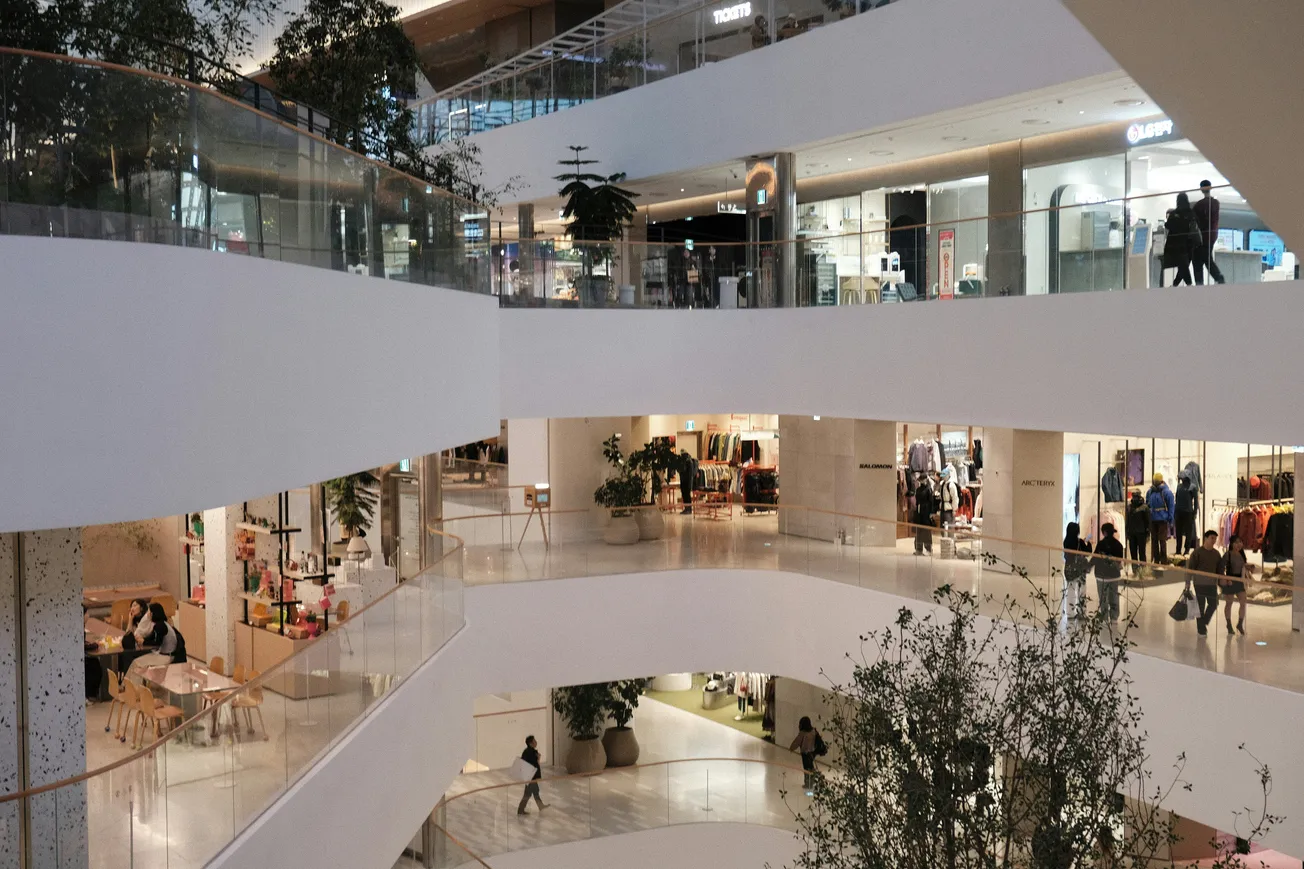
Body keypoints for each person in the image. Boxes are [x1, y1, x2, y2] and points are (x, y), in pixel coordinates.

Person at [1186, 530, 1223, 636]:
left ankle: (1204, 621)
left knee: (1213, 603)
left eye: (1215, 538)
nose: (1214, 540)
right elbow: (1190, 568)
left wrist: (1221, 583)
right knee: (1200, 605)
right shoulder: (1197, 553)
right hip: (1200, 583)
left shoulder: (1216, 554)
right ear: (1206, 538)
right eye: (1212, 538)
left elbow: (1219, 570)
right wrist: (1188, 582)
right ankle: (1201, 628)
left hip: (1211, 584)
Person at [1191, 180, 1226, 285]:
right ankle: (1218, 278)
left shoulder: (1199, 205)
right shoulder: (1216, 203)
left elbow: (1194, 221)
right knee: (1205, 257)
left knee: (1200, 259)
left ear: (1201, 189)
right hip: (1212, 235)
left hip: (1201, 237)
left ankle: (1210, 280)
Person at [1162, 193, 1199, 286]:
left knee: (1182, 266)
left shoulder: (1174, 213)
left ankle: (1182, 284)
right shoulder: (1191, 213)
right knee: (1183, 266)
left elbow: (1168, 225)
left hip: (1175, 245)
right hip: (1189, 245)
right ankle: (1180, 284)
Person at [1091, 523, 1124, 622]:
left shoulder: (1101, 544)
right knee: (1114, 596)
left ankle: (1104, 616)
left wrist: (1088, 566)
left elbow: (1095, 558)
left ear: (1104, 532)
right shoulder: (1119, 545)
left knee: (1103, 597)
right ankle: (1114, 617)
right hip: (1114, 575)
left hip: (1101, 575)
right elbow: (1119, 561)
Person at [1219, 534, 1251, 636]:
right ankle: (1228, 624)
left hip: (1239, 581)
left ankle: (1240, 624)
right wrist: (1226, 579)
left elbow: (1243, 568)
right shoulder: (1227, 554)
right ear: (1232, 544)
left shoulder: (1242, 555)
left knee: (1243, 602)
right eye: (1236, 542)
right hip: (1230, 581)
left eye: (1240, 542)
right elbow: (1220, 569)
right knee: (1229, 603)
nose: (1238, 544)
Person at [1063, 522, 1092, 620]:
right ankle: (1082, 612)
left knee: (1070, 590)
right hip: (1080, 569)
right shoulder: (1080, 542)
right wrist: (1088, 543)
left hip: (1069, 568)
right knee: (1082, 591)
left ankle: (1070, 613)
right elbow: (1088, 552)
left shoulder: (1066, 541)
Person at [1145, 473, 1175, 565]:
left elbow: (1171, 506)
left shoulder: (1166, 492)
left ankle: (1163, 560)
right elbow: (1147, 504)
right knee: (1155, 540)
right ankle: (1157, 559)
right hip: (1154, 519)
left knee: (1161, 541)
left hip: (1162, 519)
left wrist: (1170, 519)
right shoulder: (1151, 491)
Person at [516, 735, 549, 815]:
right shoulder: (532, 752)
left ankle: (540, 805)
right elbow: (535, 764)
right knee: (528, 793)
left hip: (528, 775)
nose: (536, 742)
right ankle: (520, 810)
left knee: (535, 791)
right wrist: (538, 758)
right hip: (531, 776)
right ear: (530, 743)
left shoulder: (526, 751)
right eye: (534, 741)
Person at [789, 716, 821, 792]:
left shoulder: (803, 733)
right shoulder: (813, 731)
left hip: (805, 753)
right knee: (810, 766)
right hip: (812, 752)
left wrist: (791, 748)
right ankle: (812, 782)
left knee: (807, 768)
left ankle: (808, 784)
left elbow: (797, 742)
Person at [1124, 491, 1149, 570]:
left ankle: (1143, 569)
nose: (1134, 498)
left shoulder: (1144, 507)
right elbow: (1127, 521)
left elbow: (1148, 521)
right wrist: (1126, 532)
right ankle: (1135, 570)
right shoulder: (1129, 507)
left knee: (1142, 552)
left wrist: (1148, 533)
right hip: (1132, 533)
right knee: (1133, 553)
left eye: (1136, 496)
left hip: (1141, 533)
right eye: (1133, 496)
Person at [1174, 475, 1198, 554]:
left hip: (1187, 512)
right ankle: (1178, 550)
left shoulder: (1192, 487)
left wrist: (1194, 512)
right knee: (1179, 532)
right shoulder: (1179, 486)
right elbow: (1176, 498)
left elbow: (1196, 500)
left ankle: (1186, 550)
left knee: (1188, 533)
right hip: (1180, 512)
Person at [913, 476, 937, 555]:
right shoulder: (918, 489)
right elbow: (917, 501)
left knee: (926, 531)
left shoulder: (928, 490)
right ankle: (918, 549)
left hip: (926, 513)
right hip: (919, 512)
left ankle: (928, 549)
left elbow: (931, 502)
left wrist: (931, 513)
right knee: (918, 531)